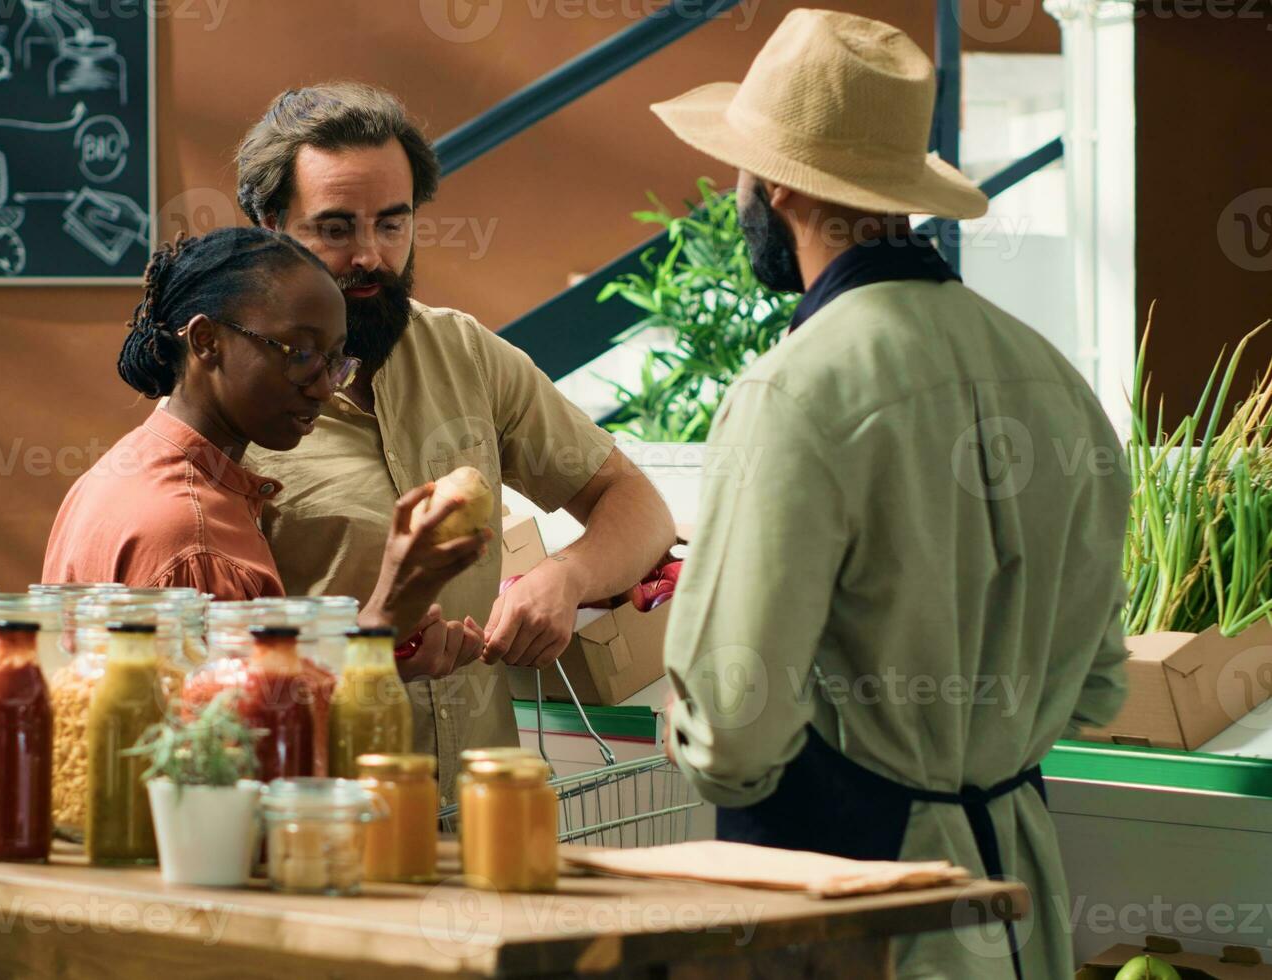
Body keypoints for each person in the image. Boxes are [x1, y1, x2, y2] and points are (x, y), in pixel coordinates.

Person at [651, 11, 1129, 980]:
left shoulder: (797, 387)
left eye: (741, 171)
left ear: (774, 184)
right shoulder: (1056, 381)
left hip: (844, 911)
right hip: (1016, 904)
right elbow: (1099, 684)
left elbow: (733, 726)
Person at [235, 83, 676, 784]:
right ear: (267, 224)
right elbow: (211, 668)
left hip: (483, 810)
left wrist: (566, 578)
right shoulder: (233, 402)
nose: (371, 256)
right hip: (328, 817)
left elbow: (637, 503)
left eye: (391, 222)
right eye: (335, 227)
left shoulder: (464, 355)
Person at [43, 226, 491, 676]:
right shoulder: (195, 541)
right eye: (300, 353)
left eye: (335, 361)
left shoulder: (126, 468)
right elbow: (233, 737)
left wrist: (384, 653)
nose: (322, 388)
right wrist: (386, 616)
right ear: (206, 341)